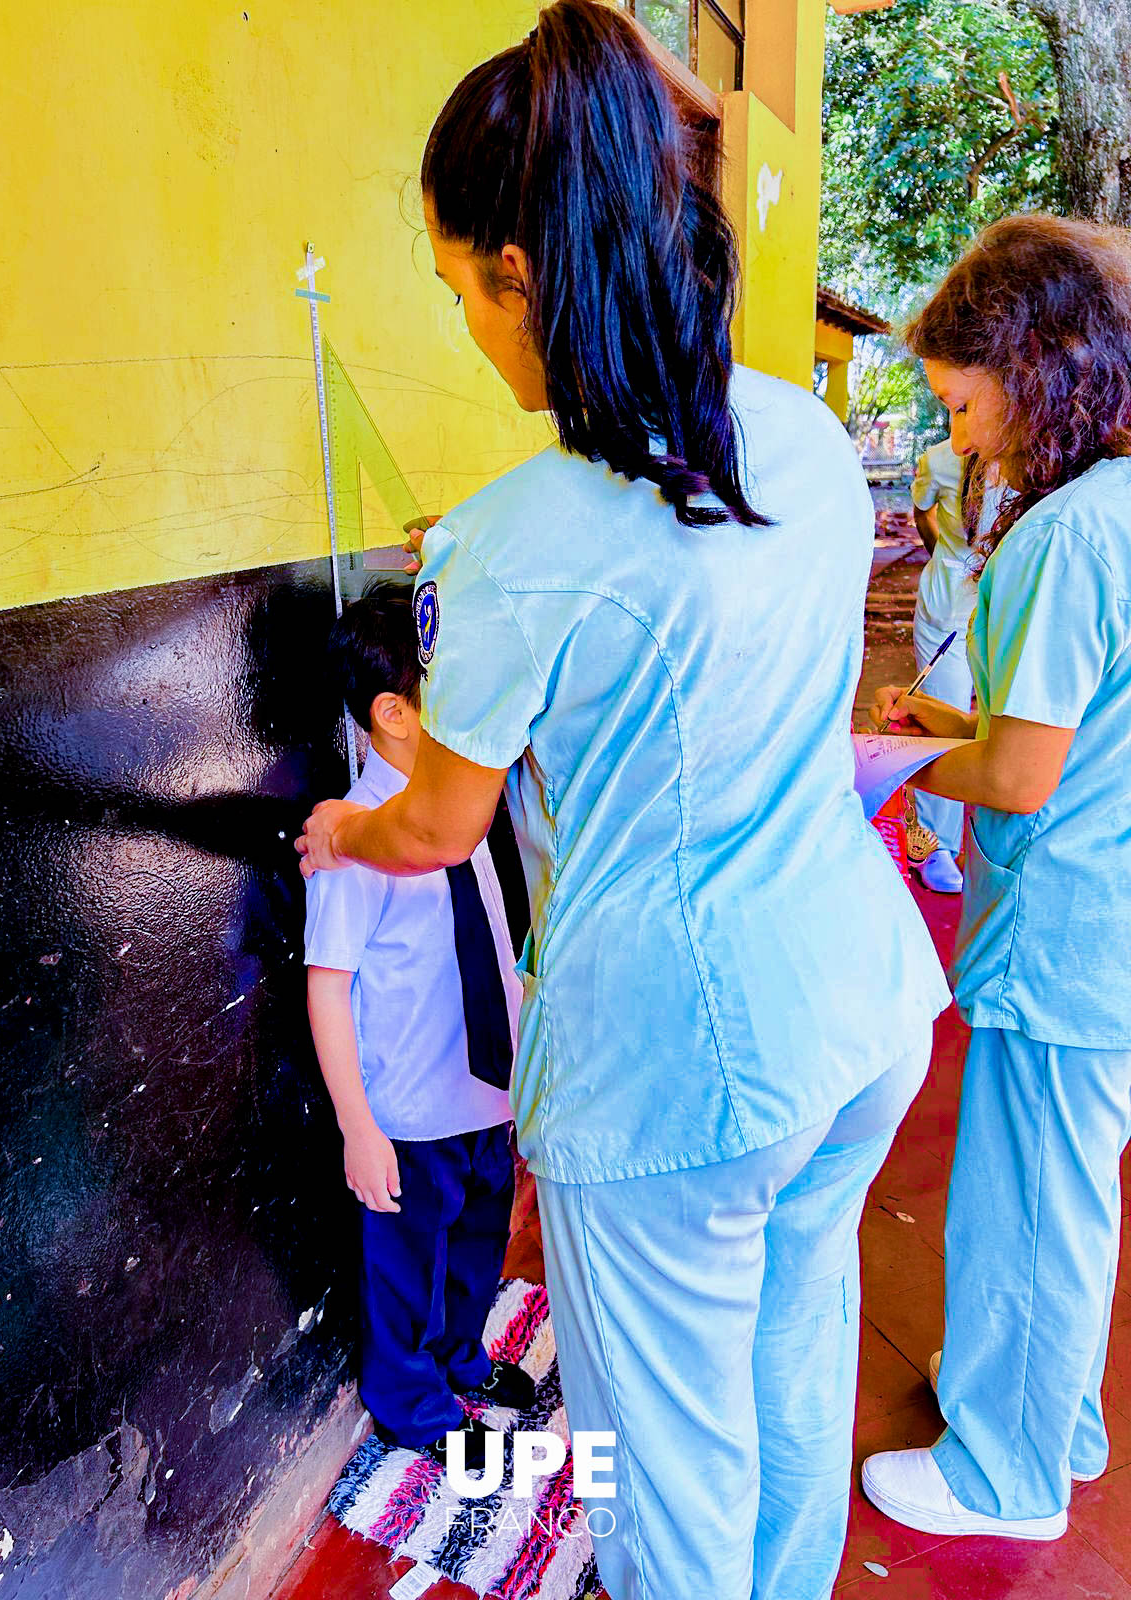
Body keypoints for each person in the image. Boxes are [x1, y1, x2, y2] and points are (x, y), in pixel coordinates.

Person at [298, 5, 947, 1595]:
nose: (464, 327)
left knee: (659, 1471)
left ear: (528, 270)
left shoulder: (520, 538)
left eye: (461, 289)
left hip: (678, 1075)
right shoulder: (790, 431)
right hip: (853, 1010)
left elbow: (441, 821)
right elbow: (673, 578)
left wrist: (343, 830)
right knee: (787, 1366)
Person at [862, 214, 1131, 1544]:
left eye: (962, 403)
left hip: (1069, 929)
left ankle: (1005, 1480)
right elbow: (1063, 733)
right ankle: (1054, 1423)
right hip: (1108, 925)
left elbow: (1025, 777)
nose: (961, 438)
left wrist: (886, 759)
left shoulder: (1066, 533)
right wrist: (945, 729)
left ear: (1032, 367)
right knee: (1065, 1194)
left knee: (1028, 1207)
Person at [304, 580, 534, 1471]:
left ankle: (461, 1359)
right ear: (396, 713)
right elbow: (328, 987)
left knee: (479, 1244)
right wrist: (359, 1128)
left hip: (486, 1088)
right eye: (457, 685)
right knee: (406, 1268)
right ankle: (410, 1400)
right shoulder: (349, 839)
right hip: (408, 1111)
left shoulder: (460, 804)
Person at [907, 439, 995, 893]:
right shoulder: (940, 459)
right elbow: (921, 510)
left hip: (1008, 601)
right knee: (939, 709)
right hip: (948, 608)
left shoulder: (1040, 453)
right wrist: (945, 556)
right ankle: (933, 843)